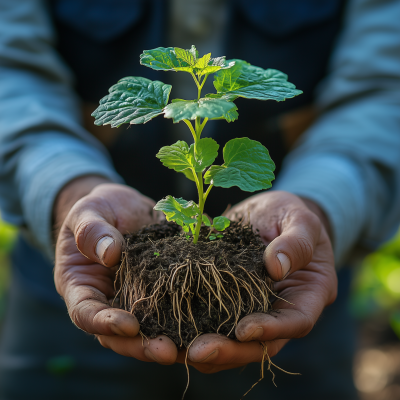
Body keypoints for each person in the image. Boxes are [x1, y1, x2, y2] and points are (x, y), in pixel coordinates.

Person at [0, 0, 399, 399]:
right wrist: (69, 190)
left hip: (288, 282)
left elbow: (384, 90)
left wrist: (318, 206)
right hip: (83, 268)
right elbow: (11, 74)